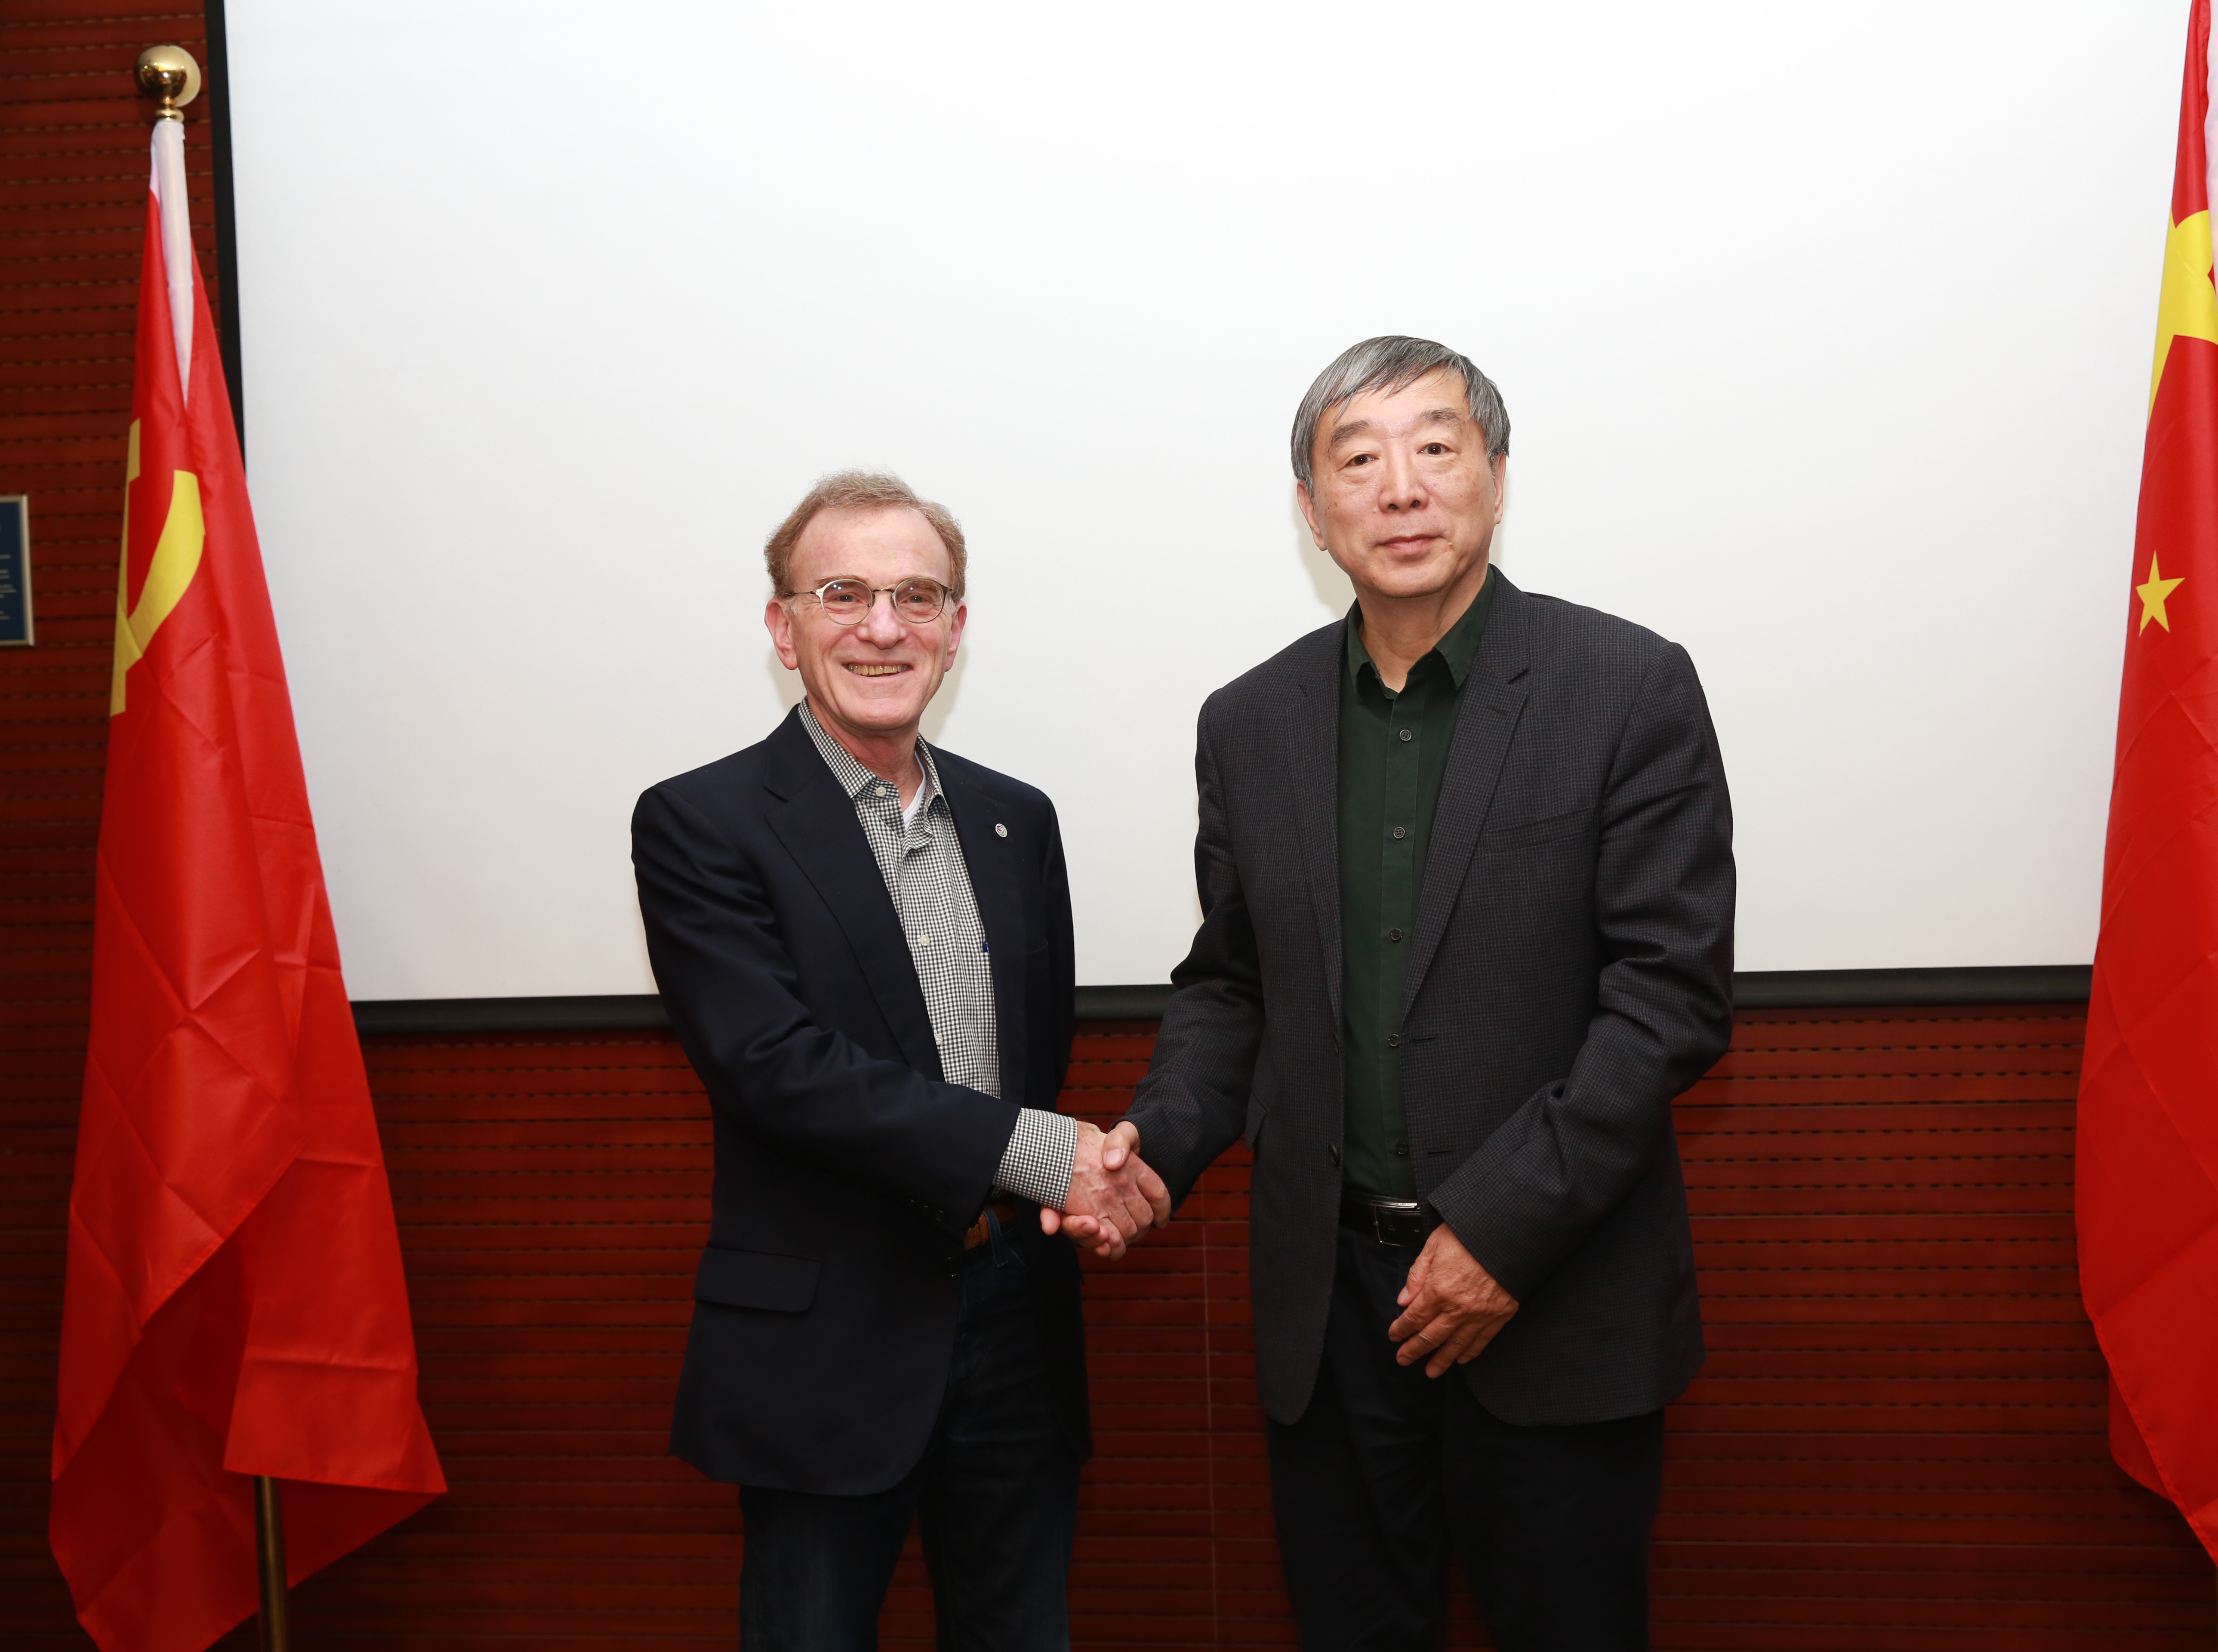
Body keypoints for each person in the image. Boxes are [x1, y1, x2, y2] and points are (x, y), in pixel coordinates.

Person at [1122, 338, 1736, 1650]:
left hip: (1555, 1295)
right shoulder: (1249, 721)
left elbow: (1667, 1000)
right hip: (1330, 1311)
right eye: (1358, 459)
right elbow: (1233, 986)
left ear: (1496, 478)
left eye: (1437, 448)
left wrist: (1500, 1234)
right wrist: (1154, 1149)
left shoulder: (1626, 686)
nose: (1400, 487)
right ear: (1313, 511)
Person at [632, 470, 1166, 1651]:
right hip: (828, 1344)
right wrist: (1057, 1160)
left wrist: (1068, 1172)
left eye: (917, 597)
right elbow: (775, 1066)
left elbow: (1039, 1054)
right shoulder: (701, 822)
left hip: (1017, 1320)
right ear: (784, 628)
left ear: (955, 628)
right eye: (844, 594)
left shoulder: (1017, 819)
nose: (884, 627)